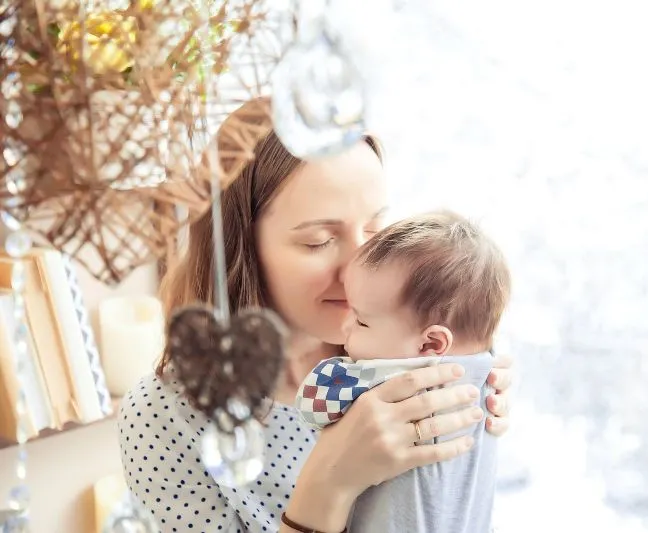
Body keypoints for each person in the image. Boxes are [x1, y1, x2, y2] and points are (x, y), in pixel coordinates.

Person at [118, 97, 514, 533]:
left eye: (376, 229)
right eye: (319, 241)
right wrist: (328, 487)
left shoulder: (405, 348)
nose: (359, 268)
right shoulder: (165, 416)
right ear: (240, 249)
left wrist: (475, 375)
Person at [295, 210, 511, 532]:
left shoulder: (380, 379)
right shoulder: (490, 372)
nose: (346, 326)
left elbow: (311, 405)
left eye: (361, 320)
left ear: (431, 343)